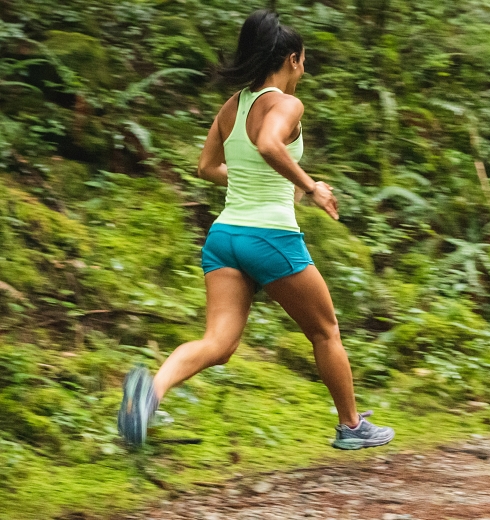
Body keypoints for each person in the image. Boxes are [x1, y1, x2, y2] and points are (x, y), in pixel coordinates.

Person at [117, 9, 394, 451]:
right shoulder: (286, 104)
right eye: (303, 60)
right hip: (270, 237)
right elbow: (268, 143)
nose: (304, 68)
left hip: (225, 238)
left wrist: (257, 179)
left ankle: (149, 394)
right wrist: (312, 186)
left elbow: (206, 167)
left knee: (218, 343)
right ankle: (352, 426)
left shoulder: (233, 105)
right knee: (326, 332)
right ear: (291, 59)